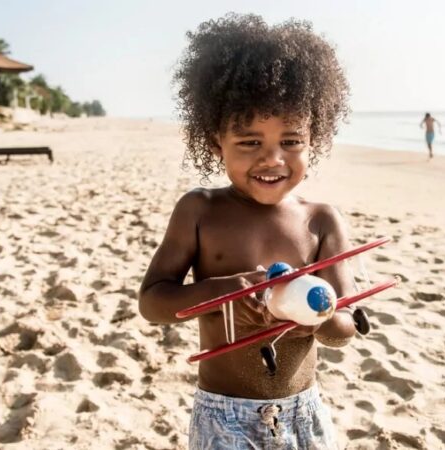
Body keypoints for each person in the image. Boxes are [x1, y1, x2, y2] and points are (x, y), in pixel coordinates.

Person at [138, 14, 352, 449]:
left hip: (303, 411)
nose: (272, 159)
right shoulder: (199, 210)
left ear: (315, 138)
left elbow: (344, 328)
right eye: (250, 142)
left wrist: (314, 319)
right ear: (217, 141)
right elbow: (153, 302)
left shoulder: (322, 220)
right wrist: (224, 294)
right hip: (223, 415)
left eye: (291, 142)